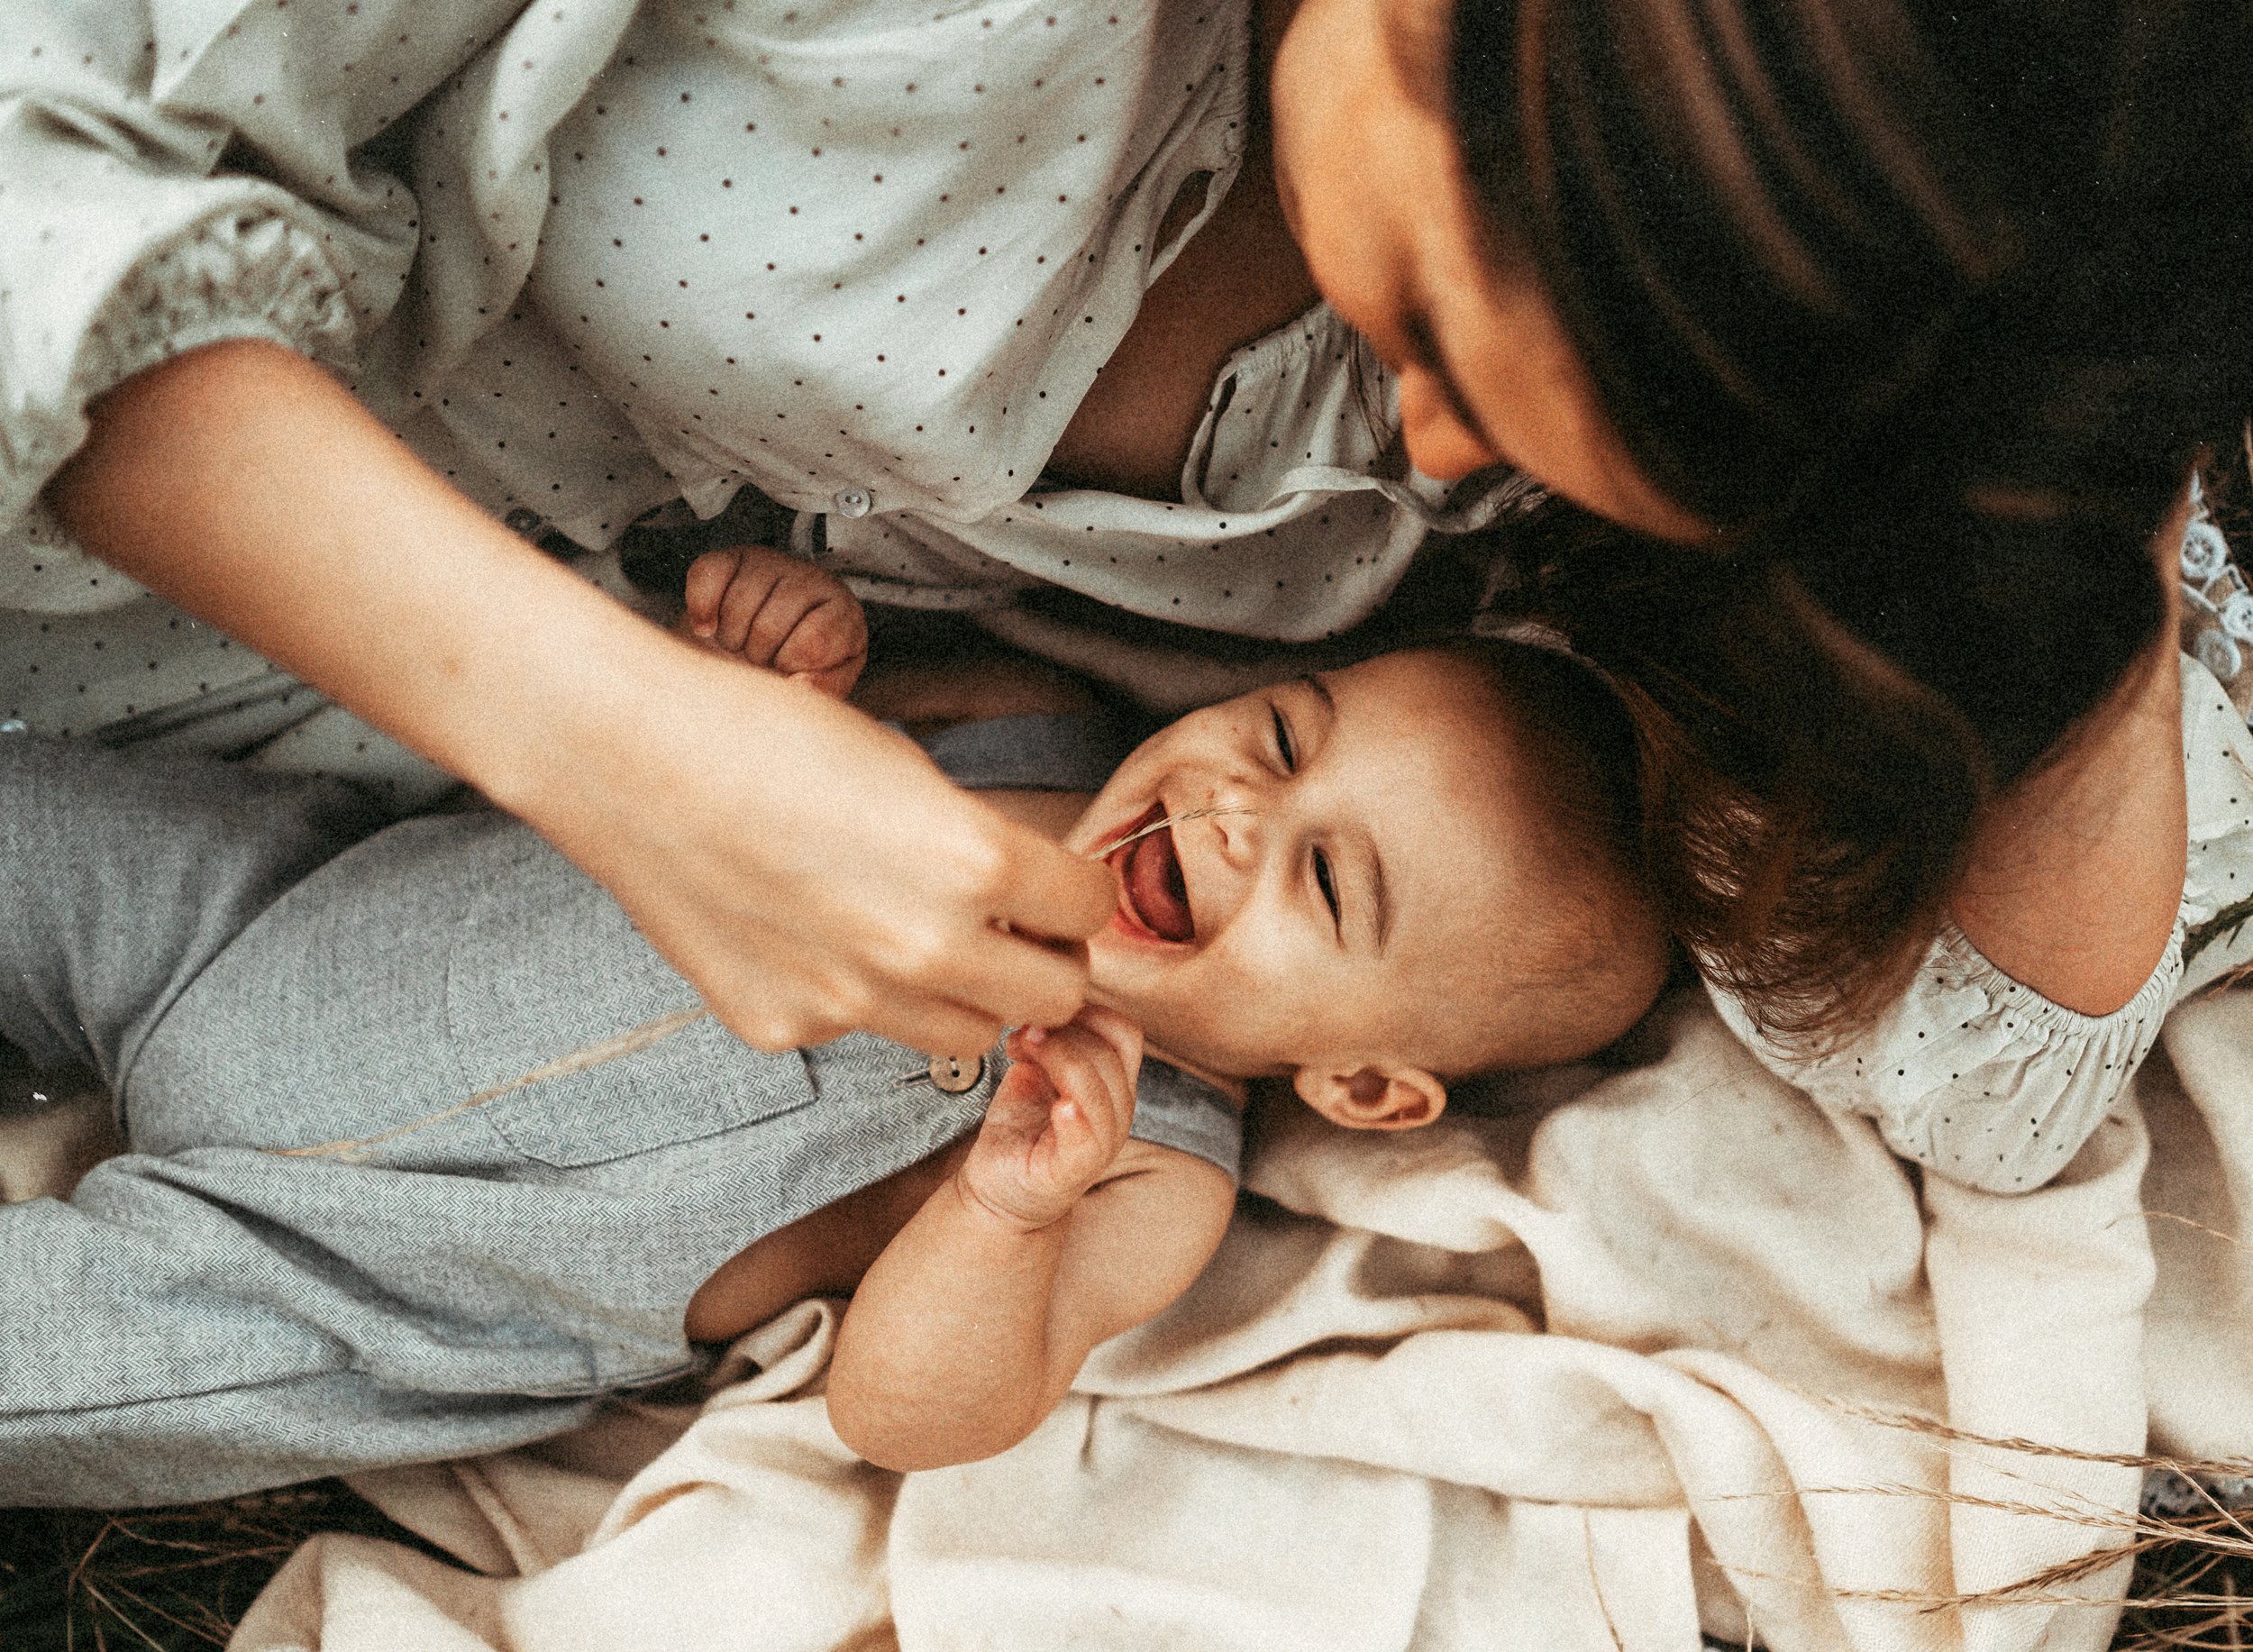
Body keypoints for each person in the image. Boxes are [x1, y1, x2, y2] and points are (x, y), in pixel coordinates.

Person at [9, 0, 2248, 1082]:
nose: (1441, 453)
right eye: (1459, 324)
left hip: (212, 837)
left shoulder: (1764, 342)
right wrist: (620, 752)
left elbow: (1987, 1073)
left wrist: (2077, 408)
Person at [0, 569, 1666, 1505]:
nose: (1241, 804)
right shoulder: (1016, 725)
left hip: (360, 1283)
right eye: (1290, 735)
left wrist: (1001, 1214)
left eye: (1324, 877)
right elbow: (692, 725)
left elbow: (911, 1411)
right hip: (283, 916)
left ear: (1363, 1083)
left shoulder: (1147, 1168)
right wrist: (766, 667)